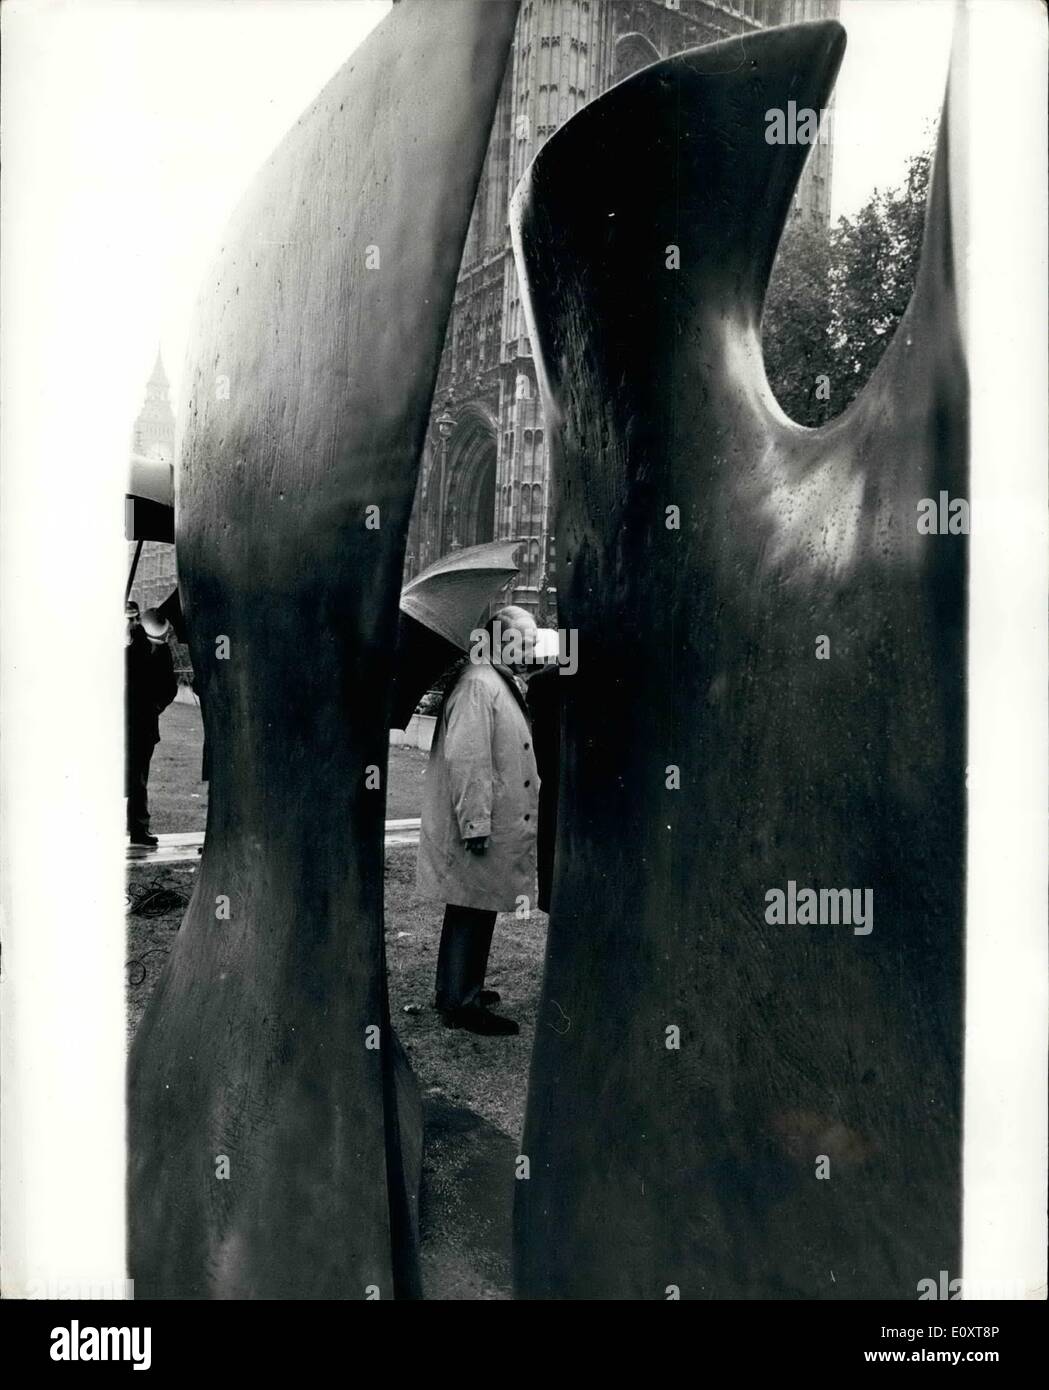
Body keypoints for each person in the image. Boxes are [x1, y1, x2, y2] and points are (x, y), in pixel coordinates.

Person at [416, 605, 540, 1036]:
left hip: (486, 820)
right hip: (477, 823)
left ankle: (460, 988)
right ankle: (460, 1001)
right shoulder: (478, 685)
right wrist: (475, 823)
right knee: (471, 905)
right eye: (525, 638)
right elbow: (469, 760)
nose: (530, 646)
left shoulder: (491, 679)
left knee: (476, 904)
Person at [125, 604, 178, 847]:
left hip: (143, 724)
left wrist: (155, 707)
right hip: (127, 721)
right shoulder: (129, 649)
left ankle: (138, 829)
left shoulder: (159, 651)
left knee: (138, 779)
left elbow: (170, 687)